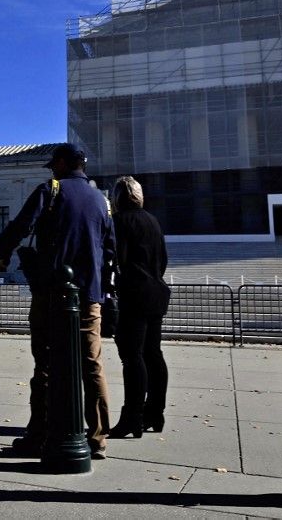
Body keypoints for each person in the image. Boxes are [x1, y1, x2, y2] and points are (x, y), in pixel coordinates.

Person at [0, 143, 115, 460]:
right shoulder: (101, 200)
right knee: (92, 364)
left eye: (53, 165)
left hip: (51, 292)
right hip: (89, 296)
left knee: (45, 362)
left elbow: (21, 225)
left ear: (61, 163)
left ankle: (39, 433)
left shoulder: (52, 189)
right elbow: (110, 249)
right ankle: (99, 436)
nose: (52, 170)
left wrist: (1, 252)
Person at [107, 176, 170, 438]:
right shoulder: (152, 220)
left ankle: (132, 416)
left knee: (132, 356)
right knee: (153, 353)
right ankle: (155, 413)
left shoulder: (119, 222)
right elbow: (163, 259)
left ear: (118, 197)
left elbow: (116, 258)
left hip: (134, 293)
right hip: (156, 291)